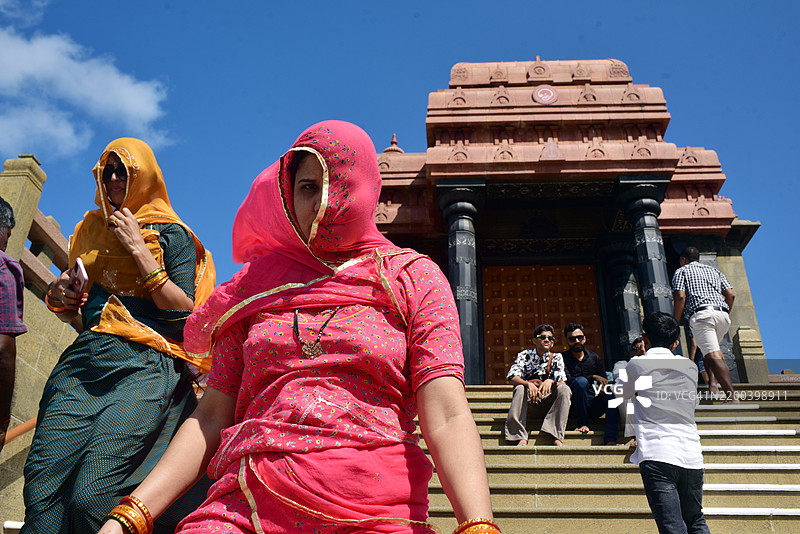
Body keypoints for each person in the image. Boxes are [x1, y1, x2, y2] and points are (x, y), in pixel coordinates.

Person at [97, 121, 498, 534]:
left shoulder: (412, 278)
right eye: (307, 188)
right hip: (245, 505)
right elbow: (211, 417)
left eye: (335, 182)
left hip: (372, 508)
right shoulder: (255, 288)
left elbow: (447, 414)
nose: (321, 201)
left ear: (364, 185)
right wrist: (130, 516)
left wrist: (478, 524)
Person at [22, 138, 216, 532]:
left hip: (144, 365)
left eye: (122, 170)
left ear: (142, 175)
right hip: (84, 362)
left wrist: (140, 251)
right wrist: (62, 293)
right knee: (43, 483)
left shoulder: (171, 234)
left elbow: (186, 316)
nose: (112, 177)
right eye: (107, 169)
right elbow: (77, 304)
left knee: (93, 491)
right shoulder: (90, 229)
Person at [621, 312, 710, 534]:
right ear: (676, 342)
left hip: (658, 453)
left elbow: (622, 393)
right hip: (691, 455)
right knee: (696, 521)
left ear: (645, 339)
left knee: (672, 526)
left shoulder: (636, 364)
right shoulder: (690, 367)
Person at [672, 246, 737, 403]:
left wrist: (675, 322)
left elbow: (680, 297)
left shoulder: (681, 271)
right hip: (722, 314)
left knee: (713, 354)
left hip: (702, 315)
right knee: (711, 351)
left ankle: (731, 397)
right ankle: (713, 383)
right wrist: (725, 312)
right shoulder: (714, 271)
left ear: (683, 259)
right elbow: (730, 294)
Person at [505, 324, 571, 447]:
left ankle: (555, 435)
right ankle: (519, 436)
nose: (547, 340)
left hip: (548, 403)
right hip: (529, 403)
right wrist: (527, 384)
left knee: (564, 389)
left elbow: (563, 381)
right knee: (519, 388)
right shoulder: (524, 355)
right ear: (534, 340)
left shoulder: (557, 357)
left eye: (550, 338)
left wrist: (551, 381)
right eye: (543, 337)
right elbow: (512, 376)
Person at [0, 196, 27, 454]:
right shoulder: (4, 268)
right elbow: (3, 350)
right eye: (8, 233)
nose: (7, 241)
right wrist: (2, 423)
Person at [561, 323, 608, 434]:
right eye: (572, 339)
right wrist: (593, 377)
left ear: (585, 338)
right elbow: (568, 380)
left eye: (580, 338)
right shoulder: (562, 359)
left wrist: (603, 388)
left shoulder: (594, 357)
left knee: (612, 394)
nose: (577, 341)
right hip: (573, 405)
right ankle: (583, 423)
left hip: (591, 404)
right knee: (581, 382)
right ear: (567, 341)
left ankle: (612, 434)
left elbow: (604, 379)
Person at [603, 336, 644, 446]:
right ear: (631, 352)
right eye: (637, 349)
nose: (640, 352)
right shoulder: (622, 364)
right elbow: (622, 380)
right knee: (616, 390)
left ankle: (639, 435)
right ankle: (611, 439)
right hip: (624, 411)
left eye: (644, 349)